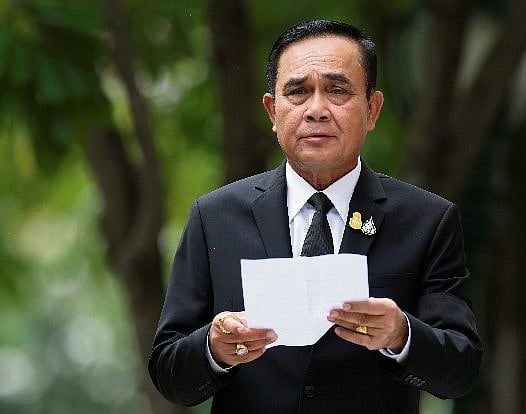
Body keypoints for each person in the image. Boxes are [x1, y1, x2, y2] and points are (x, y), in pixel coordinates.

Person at [149, 20, 482, 413]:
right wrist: (215, 348)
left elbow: (461, 369)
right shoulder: (215, 217)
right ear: (273, 111)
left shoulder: (427, 220)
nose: (317, 110)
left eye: (337, 91)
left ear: (372, 109)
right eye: (298, 92)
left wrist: (401, 334)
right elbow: (169, 371)